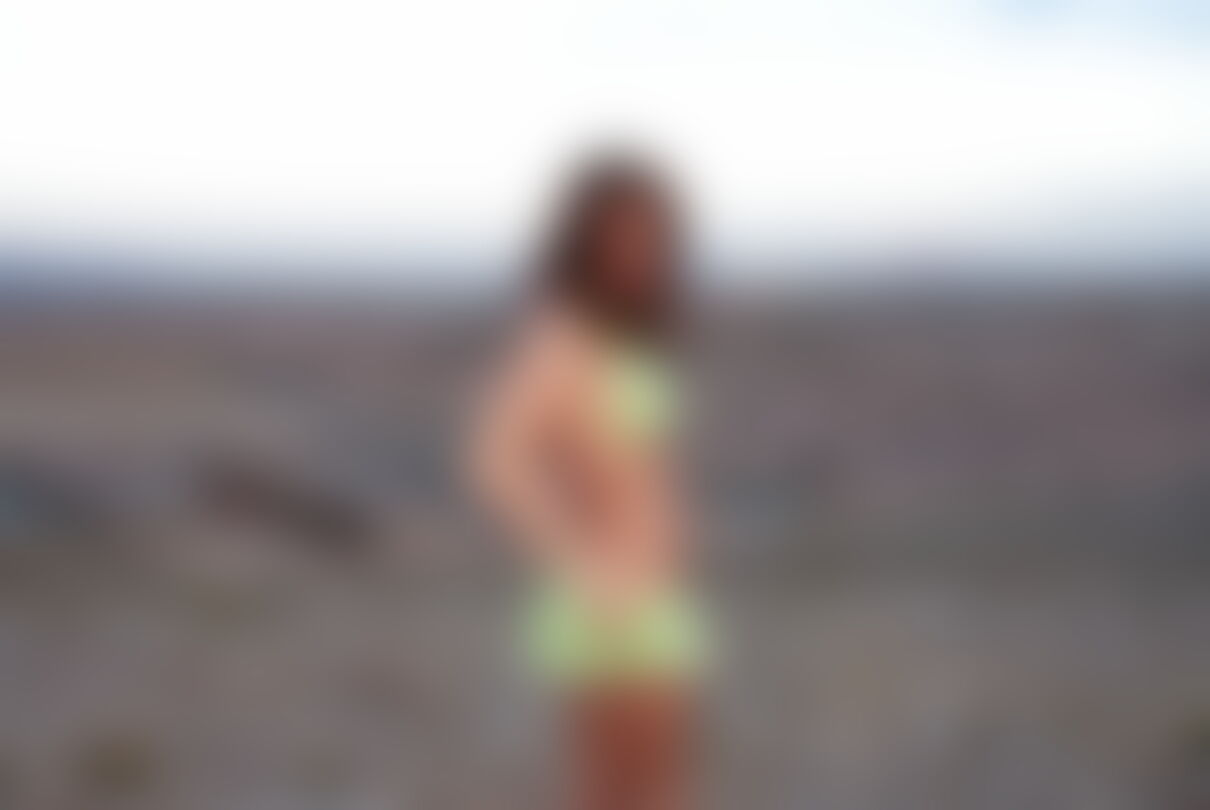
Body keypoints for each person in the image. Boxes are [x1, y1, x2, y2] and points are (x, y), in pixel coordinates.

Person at [467, 151, 707, 810]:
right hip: (612, 604)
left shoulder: (625, 340)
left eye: (651, 237)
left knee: (658, 790)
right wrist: (575, 555)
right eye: (621, 237)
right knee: (625, 796)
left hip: (656, 595)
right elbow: (496, 457)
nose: (639, 253)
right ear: (585, 243)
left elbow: (644, 463)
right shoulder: (563, 342)